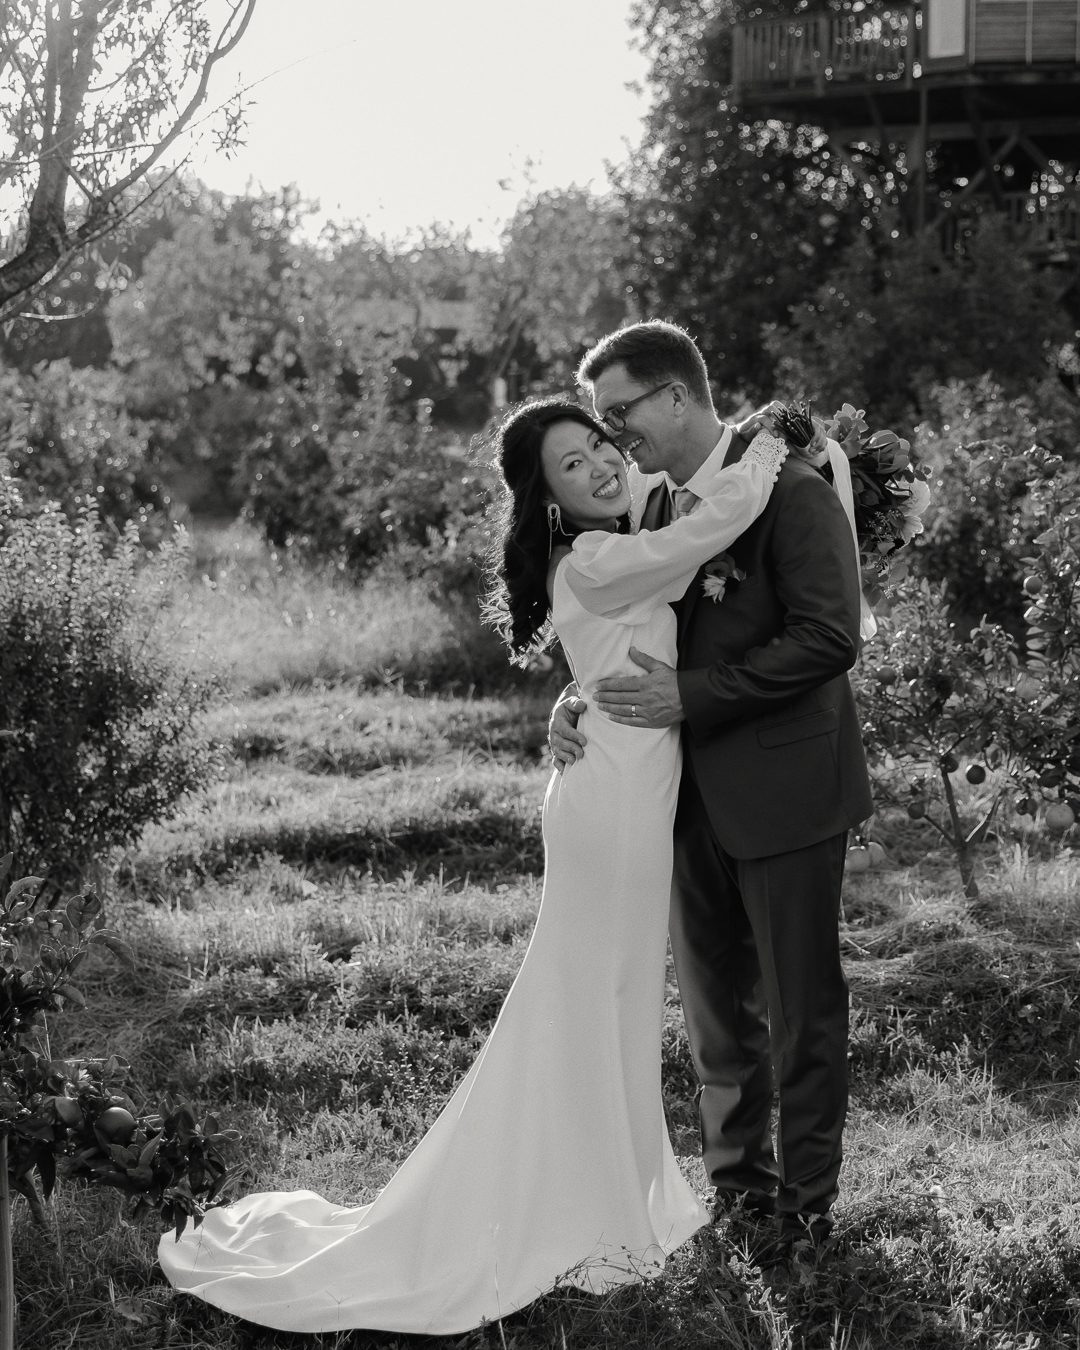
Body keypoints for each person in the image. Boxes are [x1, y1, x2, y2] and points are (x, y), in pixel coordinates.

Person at [157, 397, 787, 1336]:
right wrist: (772, 448)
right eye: (572, 465)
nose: (602, 466)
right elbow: (711, 525)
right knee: (591, 999)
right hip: (611, 812)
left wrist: (574, 693)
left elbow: (659, 516)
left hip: (626, 795)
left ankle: (606, 1193)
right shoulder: (595, 559)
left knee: (612, 1000)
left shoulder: (615, 537)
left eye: (601, 446)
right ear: (549, 501)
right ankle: (583, 1208)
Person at [550, 320, 873, 1253]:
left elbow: (828, 638)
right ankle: (739, 1189)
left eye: (621, 413)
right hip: (672, 796)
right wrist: (576, 699)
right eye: (603, 423)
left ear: (678, 395)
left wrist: (688, 696)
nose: (614, 438)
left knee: (801, 1008)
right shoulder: (646, 507)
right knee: (713, 1012)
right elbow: (628, 626)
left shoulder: (792, 491)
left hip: (785, 787)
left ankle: (806, 1205)